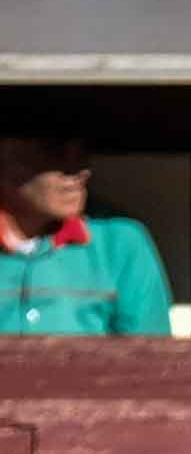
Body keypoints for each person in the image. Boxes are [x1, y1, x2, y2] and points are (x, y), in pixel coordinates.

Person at [1, 133, 171, 337]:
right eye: (53, 149)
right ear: (7, 156)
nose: (81, 170)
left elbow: (152, 359)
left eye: (83, 150)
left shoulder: (120, 244)